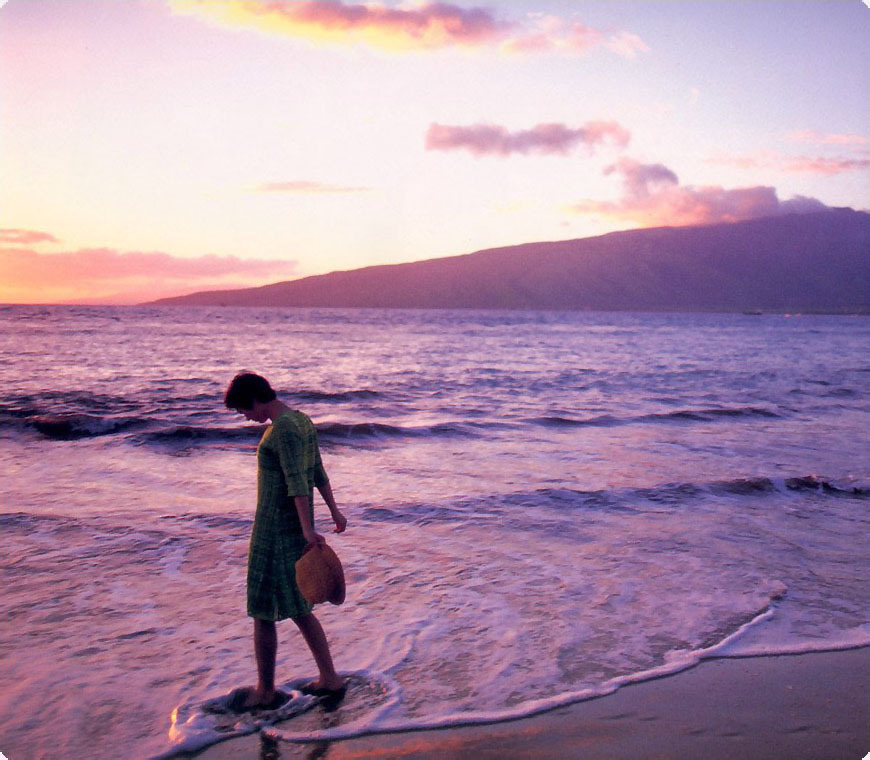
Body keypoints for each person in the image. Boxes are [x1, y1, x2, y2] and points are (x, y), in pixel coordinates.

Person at [223, 371, 348, 710]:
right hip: (289, 527)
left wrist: (309, 529)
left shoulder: (283, 430)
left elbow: (297, 481)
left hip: (275, 529)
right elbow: (317, 471)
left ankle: (265, 690)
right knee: (298, 607)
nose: (246, 418)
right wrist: (334, 512)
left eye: (243, 411)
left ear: (255, 399)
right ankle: (329, 678)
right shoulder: (301, 421)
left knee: (263, 609)